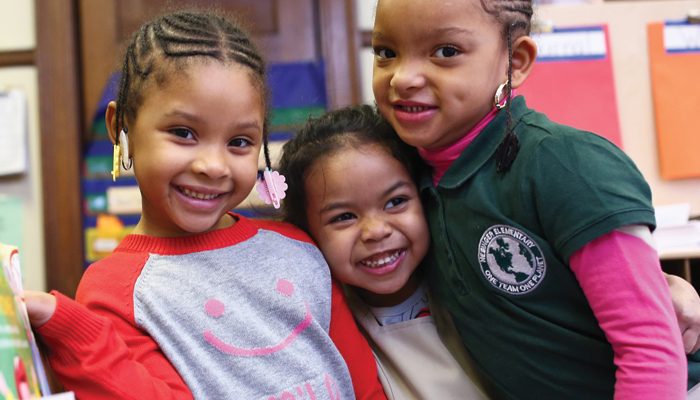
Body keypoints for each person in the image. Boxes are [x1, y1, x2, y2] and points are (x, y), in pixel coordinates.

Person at [22, 10, 386, 400]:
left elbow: (364, 385)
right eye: (183, 133)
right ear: (120, 126)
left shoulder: (298, 247)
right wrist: (73, 330)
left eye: (240, 142)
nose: (213, 166)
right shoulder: (113, 290)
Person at [370, 0, 692, 398]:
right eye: (386, 52)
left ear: (516, 61)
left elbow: (648, 346)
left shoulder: (565, 164)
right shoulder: (398, 177)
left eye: (446, 52)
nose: (402, 77)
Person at [279, 104, 488, 399]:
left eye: (395, 202)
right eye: (343, 217)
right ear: (306, 233)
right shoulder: (321, 328)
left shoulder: (476, 286)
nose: (376, 231)